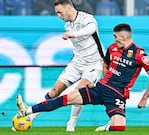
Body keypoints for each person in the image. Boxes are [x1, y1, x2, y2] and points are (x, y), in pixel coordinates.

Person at [16, 23, 149, 132]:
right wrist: (105, 79)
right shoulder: (112, 48)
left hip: (117, 95)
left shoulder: (139, 54)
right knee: (66, 99)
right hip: (101, 88)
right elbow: (105, 64)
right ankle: (27, 110)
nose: (114, 40)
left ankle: (107, 127)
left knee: (119, 127)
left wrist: (144, 97)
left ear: (124, 37)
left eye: (116, 37)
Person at [15, 0, 104, 132]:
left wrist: (73, 34)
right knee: (54, 92)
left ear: (68, 7)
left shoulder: (87, 19)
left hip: (94, 63)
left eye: (59, 12)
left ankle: (71, 124)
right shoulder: (67, 26)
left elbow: (91, 29)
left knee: (78, 92)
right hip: (77, 63)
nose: (59, 16)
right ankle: (31, 117)